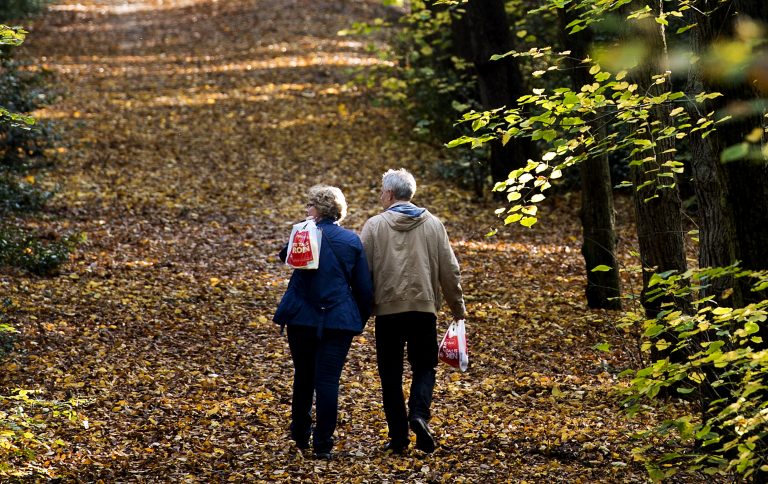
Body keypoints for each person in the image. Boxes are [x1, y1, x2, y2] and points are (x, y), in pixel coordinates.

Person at [360, 168, 466, 455]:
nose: (380, 195)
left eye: (382, 191)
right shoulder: (433, 225)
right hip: (423, 309)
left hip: (387, 311)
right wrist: (458, 308)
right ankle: (419, 414)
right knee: (424, 366)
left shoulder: (374, 226)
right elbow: (450, 269)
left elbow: (362, 272)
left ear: (391, 194)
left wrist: (362, 309)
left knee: (390, 375)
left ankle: (398, 438)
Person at [273, 185, 373, 460]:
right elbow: (363, 288)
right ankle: (323, 444)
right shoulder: (351, 242)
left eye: (309, 205)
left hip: (302, 318)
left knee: (303, 375)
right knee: (328, 380)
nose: (306, 209)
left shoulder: (304, 235)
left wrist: (304, 229)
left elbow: (284, 257)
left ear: (317, 210)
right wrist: (358, 319)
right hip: (337, 321)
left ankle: (300, 433)